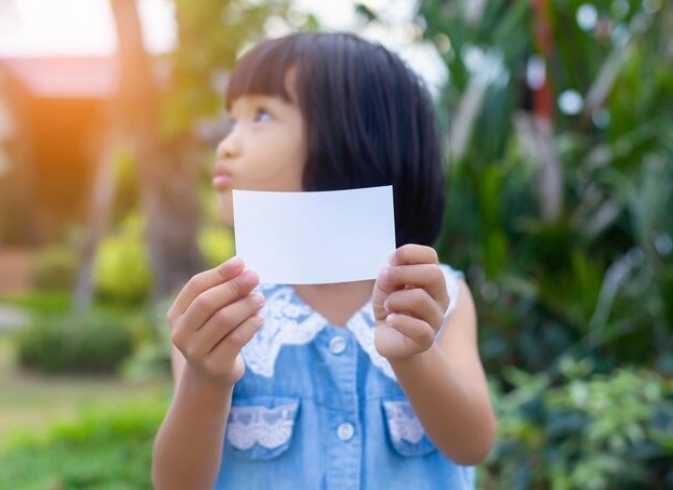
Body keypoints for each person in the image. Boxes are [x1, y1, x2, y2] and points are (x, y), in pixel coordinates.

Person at [152, 32, 495, 490]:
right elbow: (176, 484)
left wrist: (415, 355)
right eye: (232, 119)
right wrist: (206, 380)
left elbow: (472, 444)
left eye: (261, 115)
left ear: (356, 136)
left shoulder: (439, 298)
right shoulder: (216, 311)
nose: (227, 144)